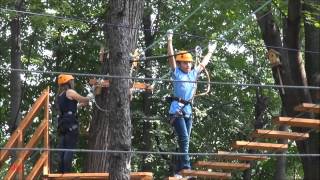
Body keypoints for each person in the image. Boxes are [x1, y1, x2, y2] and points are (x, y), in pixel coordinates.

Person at [166, 30, 217, 177]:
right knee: (184, 139)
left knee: (185, 141)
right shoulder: (176, 73)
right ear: (180, 63)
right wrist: (170, 41)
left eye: (189, 62)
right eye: (185, 62)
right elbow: (171, 58)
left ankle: (178, 170)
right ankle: (186, 168)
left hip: (188, 110)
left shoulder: (193, 74)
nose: (188, 65)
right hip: (177, 110)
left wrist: (210, 51)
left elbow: (203, 63)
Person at [56, 74, 94, 173]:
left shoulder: (60, 95)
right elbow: (83, 99)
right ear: (69, 82)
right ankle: (66, 173)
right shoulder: (70, 91)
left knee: (63, 149)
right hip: (70, 123)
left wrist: (81, 105)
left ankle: (61, 173)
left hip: (63, 123)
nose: (73, 83)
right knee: (69, 148)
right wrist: (90, 96)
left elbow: (70, 108)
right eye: (72, 81)